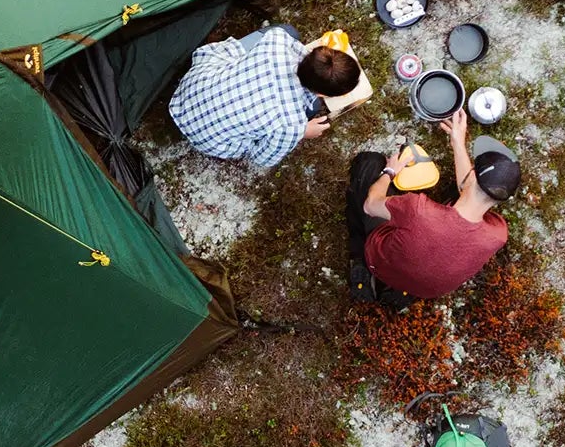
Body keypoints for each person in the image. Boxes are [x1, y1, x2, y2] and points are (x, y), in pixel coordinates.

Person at [347, 108, 516, 302]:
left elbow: (371, 205)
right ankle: (401, 293)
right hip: (425, 290)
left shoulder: (418, 210)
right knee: (457, 202)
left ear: (472, 176)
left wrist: (390, 171)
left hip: (382, 262)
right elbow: (468, 189)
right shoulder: (498, 233)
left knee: (368, 164)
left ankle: (361, 260)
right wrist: (457, 142)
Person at [168, 24, 363, 171]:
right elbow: (261, 159)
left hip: (194, 88)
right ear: (321, 94)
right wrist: (302, 132)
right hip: (207, 137)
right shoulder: (291, 125)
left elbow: (284, 38)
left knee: (288, 29)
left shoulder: (277, 40)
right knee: (311, 110)